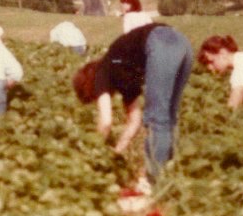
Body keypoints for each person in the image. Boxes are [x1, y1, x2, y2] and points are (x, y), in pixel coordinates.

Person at [72, 21, 194, 183]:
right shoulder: (121, 72)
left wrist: (96, 152)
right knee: (169, 117)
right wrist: (116, 152)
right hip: (182, 43)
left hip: (160, 42)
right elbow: (134, 122)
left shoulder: (102, 71)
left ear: (89, 86)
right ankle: (167, 176)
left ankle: (152, 182)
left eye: (93, 97)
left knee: (157, 119)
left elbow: (106, 121)